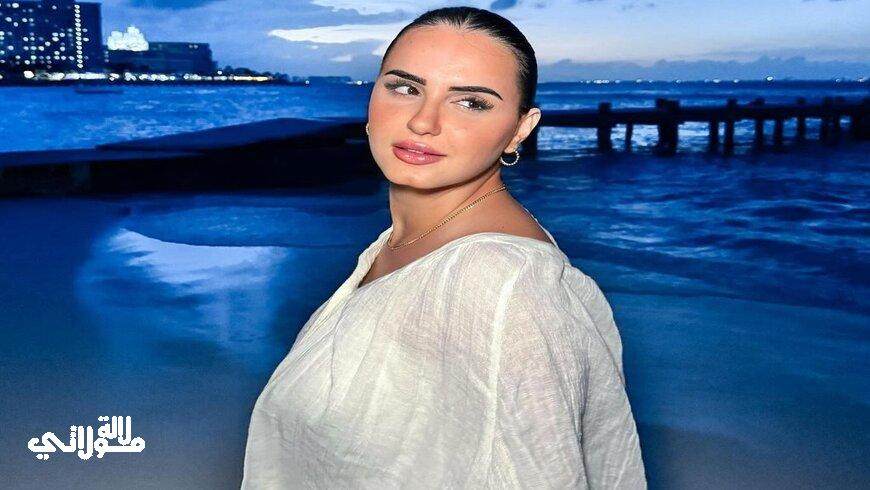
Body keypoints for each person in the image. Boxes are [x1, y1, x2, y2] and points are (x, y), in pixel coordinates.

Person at [242, 6, 646, 488]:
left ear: (521, 129)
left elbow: (543, 472)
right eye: (405, 88)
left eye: (471, 102)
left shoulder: (502, 286)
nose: (423, 122)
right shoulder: (400, 243)